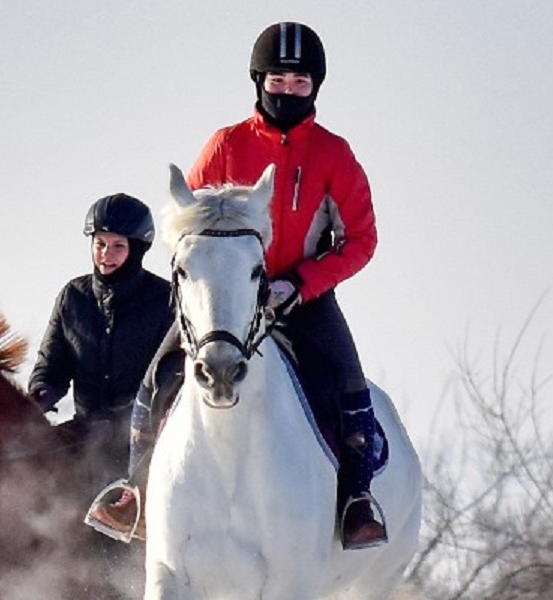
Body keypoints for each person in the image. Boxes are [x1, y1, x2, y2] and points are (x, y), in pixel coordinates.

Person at [84, 21, 390, 551]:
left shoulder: (334, 155)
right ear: (258, 81)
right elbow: (185, 222)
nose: (288, 91)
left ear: (315, 87)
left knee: (348, 382)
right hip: (224, 303)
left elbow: (360, 239)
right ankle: (135, 492)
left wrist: (300, 283)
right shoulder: (226, 144)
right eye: (278, 80)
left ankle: (356, 499)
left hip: (299, 299)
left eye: (300, 83)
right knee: (157, 377)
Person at [26, 194, 172, 473]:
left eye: (118, 246)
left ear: (137, 250)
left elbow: (168, 381)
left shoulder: (164, 301)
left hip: (148, 445)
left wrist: (119, 424)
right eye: (100, 244)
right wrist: (40, 394)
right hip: (83, 440)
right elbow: (52, 364)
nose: (106, 254)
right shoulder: (73, 297)